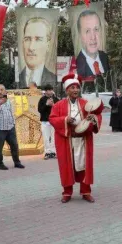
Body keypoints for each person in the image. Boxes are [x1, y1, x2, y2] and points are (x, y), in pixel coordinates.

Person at [49, 74, 101, 203]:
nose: (75, 90)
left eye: (77, 87)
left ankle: (86, 191)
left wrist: (93, 120)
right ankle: (67, 192)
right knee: (67, 166)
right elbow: (52, 119)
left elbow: (97, 115)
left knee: (84, 166)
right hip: (67, 140)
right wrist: (66, 119)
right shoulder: (59, 105)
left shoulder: (86, 104)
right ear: (67, 90)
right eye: (72, 88)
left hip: (83, 140)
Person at [0, 84, 25, 170]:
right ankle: (0, 164)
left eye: (1, 90)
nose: (0, 92)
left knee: (14, 145)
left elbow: (11, 112)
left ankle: (17, 162)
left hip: (10, 127)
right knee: (0, 147)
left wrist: (13, 123)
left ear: (5, 91)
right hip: (0, 129)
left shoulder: (8, 100)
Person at [19, 17, 57, 88]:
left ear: (48, 44)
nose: (31, 47)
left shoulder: (54, 79)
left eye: (38, 39)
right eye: (27, 39)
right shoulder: (17, 78)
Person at [75, 10, 110, 78]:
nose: (93, 37)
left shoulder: (105, 57)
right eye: (87, 31)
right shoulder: (76, 65)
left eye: (96, 29)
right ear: (80, 35)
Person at [38, 84, 59, 159]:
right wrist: (46, 104)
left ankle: (53, 152)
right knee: (46, 138)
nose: (50, 92)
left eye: (51, 90)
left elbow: (58, 110)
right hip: (45, 121)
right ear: (46, 91)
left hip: (54, 121)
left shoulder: (56, 99)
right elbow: (40, 110)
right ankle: (47, 152)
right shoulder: (42, 99)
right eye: (49, 90)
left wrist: (53, 105)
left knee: (54, 137)